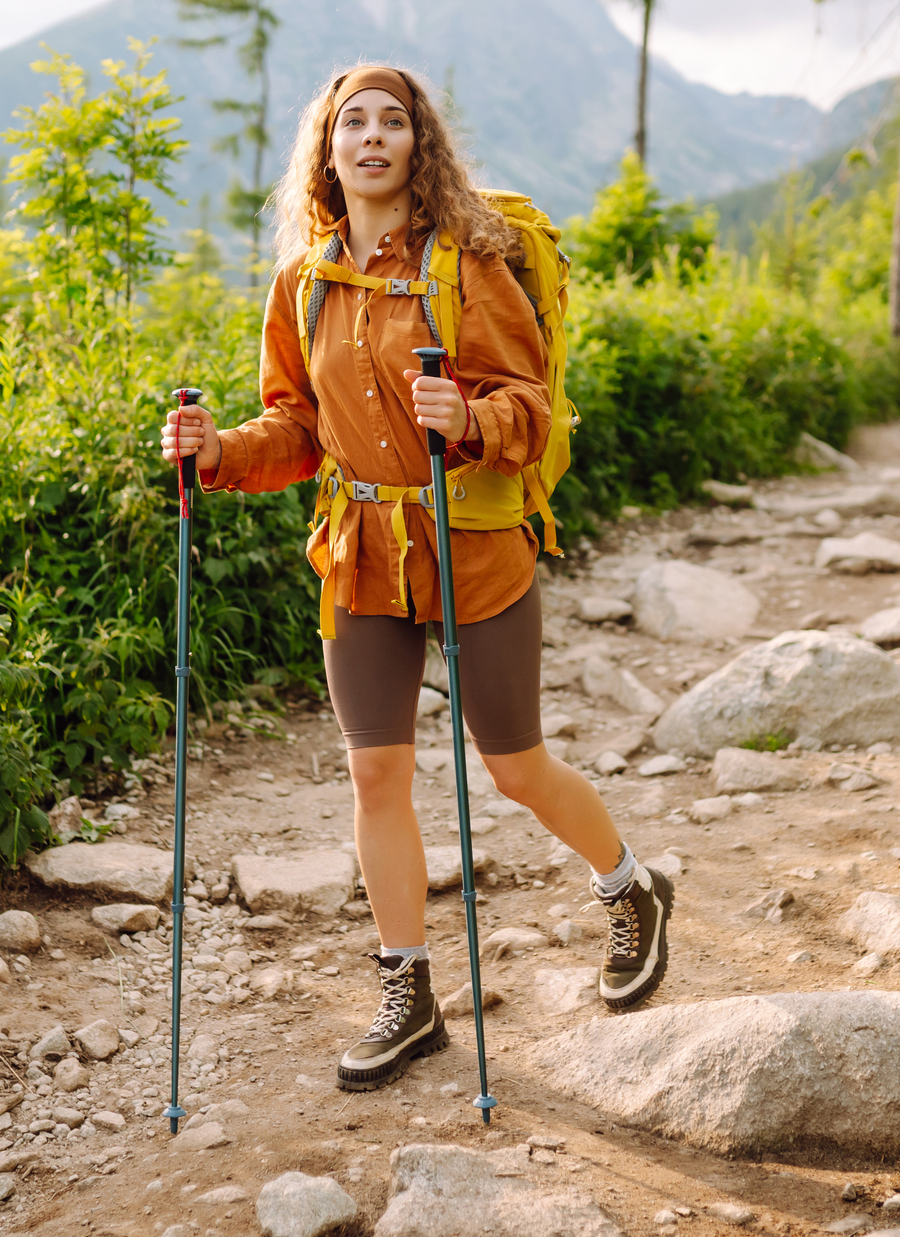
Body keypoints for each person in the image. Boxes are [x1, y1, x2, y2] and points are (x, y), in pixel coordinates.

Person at [158, 64, 673, 1092]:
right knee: (375, 772)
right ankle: (410, 992)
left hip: (472, 540)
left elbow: (530, 404)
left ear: (418, 145)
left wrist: (473, 419)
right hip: (360, 550)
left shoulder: (470, 262)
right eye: (354, 122)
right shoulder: (304, 282)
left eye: (395, 121)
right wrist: (215, 451)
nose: (375, 136)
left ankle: (630, 889)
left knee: (514, 765)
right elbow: (299, 429)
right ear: (328, 149)